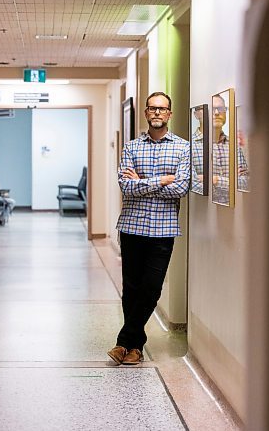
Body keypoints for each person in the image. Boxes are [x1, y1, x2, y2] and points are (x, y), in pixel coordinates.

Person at [108, 91, 190, 365]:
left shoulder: (183, 148)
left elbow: (181, 187)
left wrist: (144, 181)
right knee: (131, 288)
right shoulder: (131, 147)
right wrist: (161, 181)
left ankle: (123, 340)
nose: (157, 113)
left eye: (162, 109)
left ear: (169, 114)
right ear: (145, 113)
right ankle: (134, 348)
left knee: (152, 288)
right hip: (131, 228)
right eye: (152, 108)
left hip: (163, 231)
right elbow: (125, 186)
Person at [212, 94, 249, 204]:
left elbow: (246, 183)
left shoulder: (235, 146)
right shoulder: (192, 146)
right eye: (213, 109)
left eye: (221, 109)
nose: (217, 113)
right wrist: (232, 180)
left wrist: (216, 180)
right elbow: (196, 184)